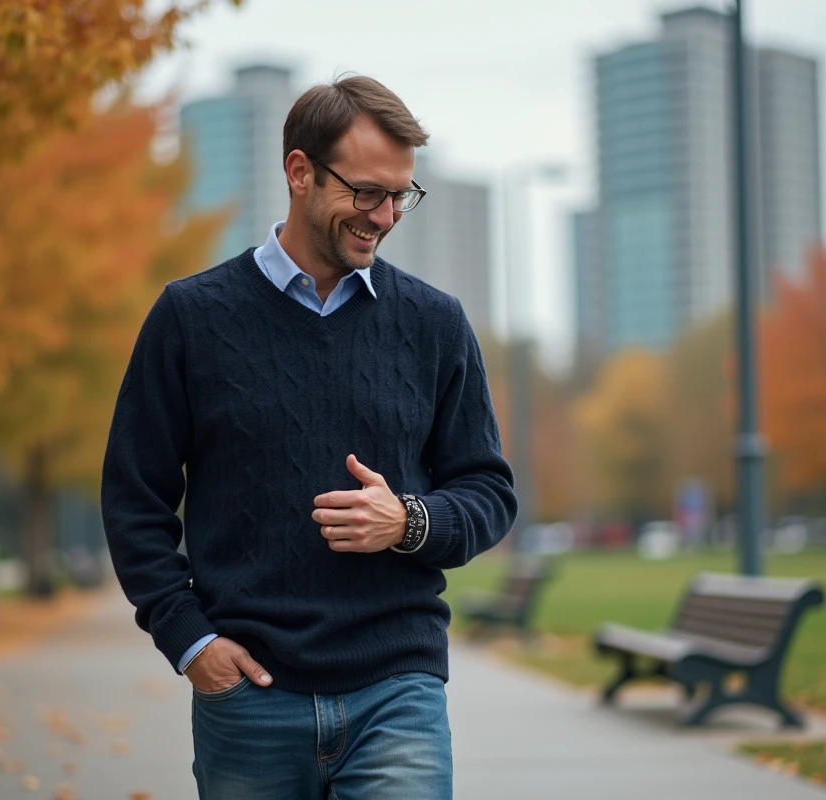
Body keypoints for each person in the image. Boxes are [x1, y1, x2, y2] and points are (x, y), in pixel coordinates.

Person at [101, 74, 517, 800]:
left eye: (400, 196)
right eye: (366, 192)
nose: (384, 216)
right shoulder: (190, 318)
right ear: (299, 172)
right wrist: (189, 640)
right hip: (249, 698)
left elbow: (489, 492)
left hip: (398, 690)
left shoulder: (435, 324)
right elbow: (134, 496)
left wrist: (409, 521)